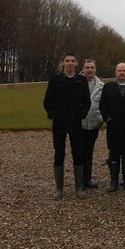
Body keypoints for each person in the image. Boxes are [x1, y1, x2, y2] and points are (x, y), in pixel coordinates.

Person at [43, 52, 91, 199]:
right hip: (59, 123)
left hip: (76, 123)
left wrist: (81, 114)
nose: (70, 63)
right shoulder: (55, 80)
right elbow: (47, 102)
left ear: (76, 63)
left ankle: (79, 187)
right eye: (67, 61)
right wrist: (53, 114)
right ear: (63, 63)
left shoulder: (81, 81)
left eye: (73, 61)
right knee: (59, 154)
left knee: (78, 153)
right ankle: (59, 188)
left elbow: (87, 102)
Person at [99, 63, 125, 192]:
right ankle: (114, 181)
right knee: (113, 154)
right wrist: (108, 119)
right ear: (116, 72)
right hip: (113, 127)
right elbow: (102, 106)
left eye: (124, 70)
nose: (121, 73)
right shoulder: (108, 87)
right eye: (119, 70)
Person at [80, 59, 104, 189]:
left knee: (89, 152)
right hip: (79, 124)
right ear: (83, 69)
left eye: (92, 67)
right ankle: (80, 181)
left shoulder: (101, 85)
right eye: (87, 67)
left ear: (95, 69)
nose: (90, 70)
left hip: (93, 124)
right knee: (79, 153)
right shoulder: (76, 83)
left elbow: (103, 105)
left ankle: (87, 179)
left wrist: (100, 119)